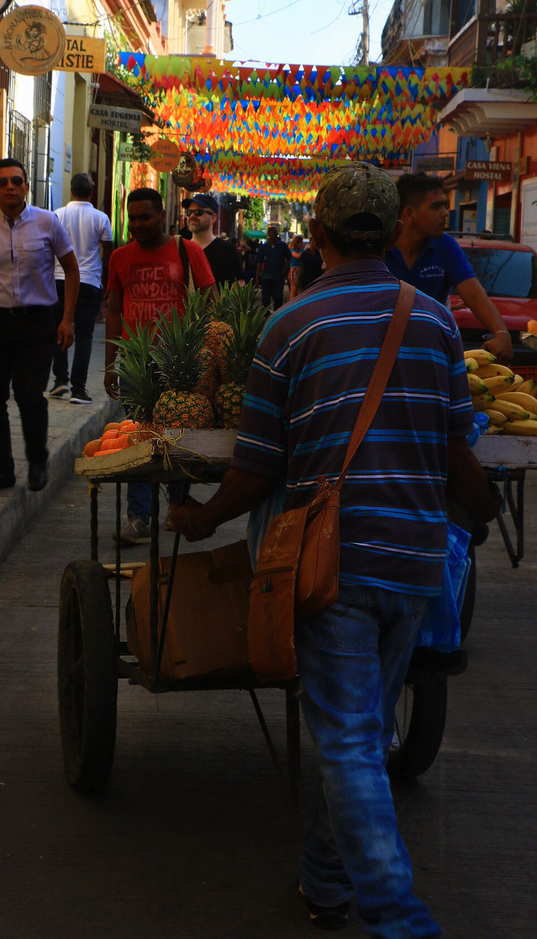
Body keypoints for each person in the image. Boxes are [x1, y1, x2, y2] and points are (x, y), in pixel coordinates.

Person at [170, 163, 500, 937]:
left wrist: (204, 518)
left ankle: (398, 916)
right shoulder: (437, 322)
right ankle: (324, 879)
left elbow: (257, 469)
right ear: (393, 237)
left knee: (350, 741)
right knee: (365, 728)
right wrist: (481, 511)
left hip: (333, 567)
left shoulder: (292, 326)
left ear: (314, 235)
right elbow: (458, 451)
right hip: (416, 563)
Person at [0, 158, 79, 493]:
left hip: (38, 321)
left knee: (28, 394)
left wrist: (67, 319)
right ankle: (3, 469)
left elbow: (71, 268)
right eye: (2, 182)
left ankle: (37, 460)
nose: (10, 187)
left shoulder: (47, 222)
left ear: (26, 186)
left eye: (16, 181)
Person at [104, 188, 216, 544]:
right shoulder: (120, 257)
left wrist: (208, 355)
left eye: (145, 217)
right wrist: (110, 363)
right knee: (139, 438)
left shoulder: (188, 251)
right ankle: (139, 517)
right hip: (136, 364)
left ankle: (177, 507)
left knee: (177, 437)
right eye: (132, 218)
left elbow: (211, 301)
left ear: (162, 214)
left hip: (179, 361)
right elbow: (113, 310)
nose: (137, 224)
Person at [387, 173, 513, 362]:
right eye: (436, 206)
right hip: (382, 351)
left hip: (432, 353)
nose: (445, 213)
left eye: (445, 206)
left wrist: (501, 333)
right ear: (410, 213)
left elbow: (474, 295)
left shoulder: (446, 247)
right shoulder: (380, 246)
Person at [50, 172, 113, 405]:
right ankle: (78, 389)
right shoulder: (100, 218)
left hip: (59, 280)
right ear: (92, 192)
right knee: (85, 336)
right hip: (89, 281)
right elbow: (108, 250)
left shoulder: (57, 215)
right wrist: (107, 281)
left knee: (59, 329)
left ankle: (60, 381)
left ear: (70, 191)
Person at [184, 193, 245, 286]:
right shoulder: (181, 249)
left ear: (213, 218)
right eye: (189, 212)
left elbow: (238, 285)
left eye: (198, 212)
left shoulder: (227, 250)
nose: (192, 215)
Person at [255, 225, 291, 310]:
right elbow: (259, 262)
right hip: (266, 276)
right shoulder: (264, 247)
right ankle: (265, 317)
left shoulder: (283, 246)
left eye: (276, 233)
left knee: (278, 298)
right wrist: (257, 277)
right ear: (269, 234)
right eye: (273, 233)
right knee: (265, 299)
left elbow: (289, 259)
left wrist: (284, 271)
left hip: (278, 277)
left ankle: (276, 316)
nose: (275, 235)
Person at [288, 233, 304, 298]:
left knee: (300, 291)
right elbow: (297, 256)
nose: (302, 244)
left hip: (300, 270)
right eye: (301, 243)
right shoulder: (292, 251)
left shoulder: (301, 250)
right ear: (297, 243)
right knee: (294, 291)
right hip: (294, 270)